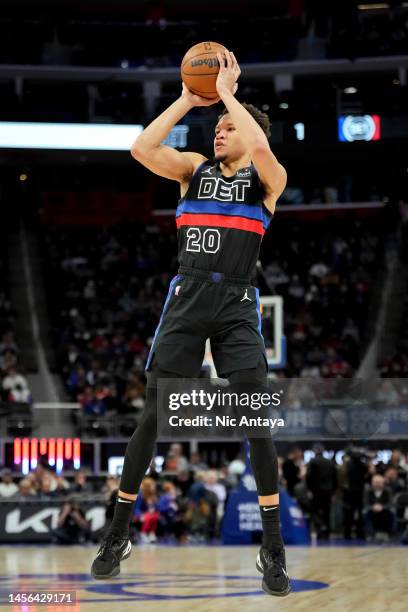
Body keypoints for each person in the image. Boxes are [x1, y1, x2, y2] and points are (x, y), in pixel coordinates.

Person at [91, 50, 289, 596]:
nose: (219, 132)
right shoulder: (192, 170)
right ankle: (117, 533)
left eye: (229, 128)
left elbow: (264, 150)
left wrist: (229, 94)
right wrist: (187, 97)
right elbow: (141, 148)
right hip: (187, 298)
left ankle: (271, 547)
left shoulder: (267, 180)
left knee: (257, 421)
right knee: (152, 416)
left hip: (237, 306)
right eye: (218, 127)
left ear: (248, 134)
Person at [306, 443, 337, 539]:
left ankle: (318, 530)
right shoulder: (330, 462)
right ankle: (326, 532)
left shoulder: (312, 461)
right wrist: (334, 492)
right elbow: (335, 478)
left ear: (315, 451)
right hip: (328, 491)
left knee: (315, 511)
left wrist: (309, 490)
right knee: (327, 512)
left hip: (316, 491)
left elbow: (309, 477)